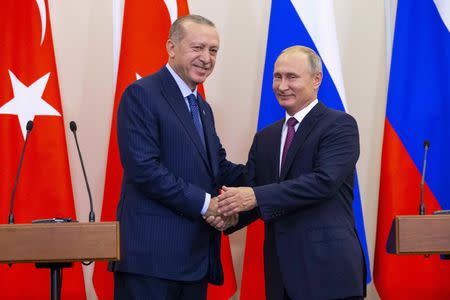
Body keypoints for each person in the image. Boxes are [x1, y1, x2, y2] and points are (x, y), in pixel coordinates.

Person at [214, 46, 366, 300]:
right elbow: (255, 189)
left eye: (291, 77)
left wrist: (253, 197)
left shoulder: (339, 125)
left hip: (328, 273)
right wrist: (229, 216)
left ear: (316, 79)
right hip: (281, 276)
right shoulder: (266, 137)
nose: (282, 85)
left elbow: (323, 182)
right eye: (277, 76)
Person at [112, 15, 244, 300]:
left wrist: (271, 177)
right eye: (197, 48)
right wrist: (208, 204)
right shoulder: (141, 94)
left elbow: (217, 168)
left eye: (213, 50)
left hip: (193, 261)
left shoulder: (202, 107)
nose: (206, 58)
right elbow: (145, 169)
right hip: (151, 262)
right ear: (171, 47)